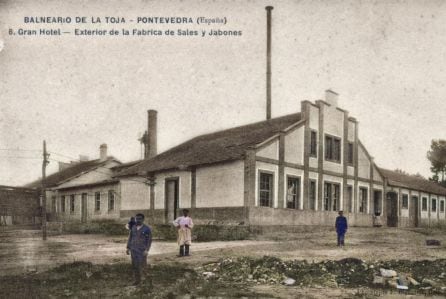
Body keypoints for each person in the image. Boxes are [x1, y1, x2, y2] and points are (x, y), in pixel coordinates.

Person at [126, 213, 152, 285]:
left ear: (143, 219)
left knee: (143, 265)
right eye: (136, 219)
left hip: (142, 251)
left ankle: (145, 281)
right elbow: (130, 238)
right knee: (135, 265)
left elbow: (149, 240)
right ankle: (137, 280)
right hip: (133, 250)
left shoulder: (146, 229)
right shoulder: (133, 228)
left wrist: (147, 250)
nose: (138, 220)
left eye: (140, 219)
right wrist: (128, 248)